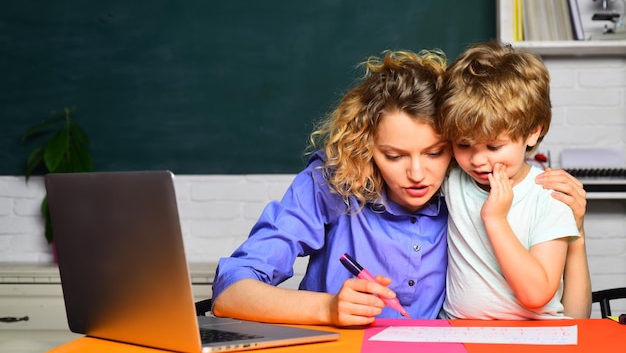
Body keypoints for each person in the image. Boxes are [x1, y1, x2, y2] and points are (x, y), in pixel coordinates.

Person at [211, 48, 590, 327]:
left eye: (435, 152)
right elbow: (230, 292)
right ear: (366, 147)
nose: (417, 174)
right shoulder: (332, 182)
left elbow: (562, 310)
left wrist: (572, 230)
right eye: (393, 156)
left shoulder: (467, 185)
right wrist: (326, 309)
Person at [438, 41, 590, 320]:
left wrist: (495, 219)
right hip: (460, 333)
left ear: (533, 132)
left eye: (494, 147)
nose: (478, 160)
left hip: (536, 337)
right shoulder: (453, 179)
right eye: (463, 145)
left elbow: (536, 296)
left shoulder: (549, 195)